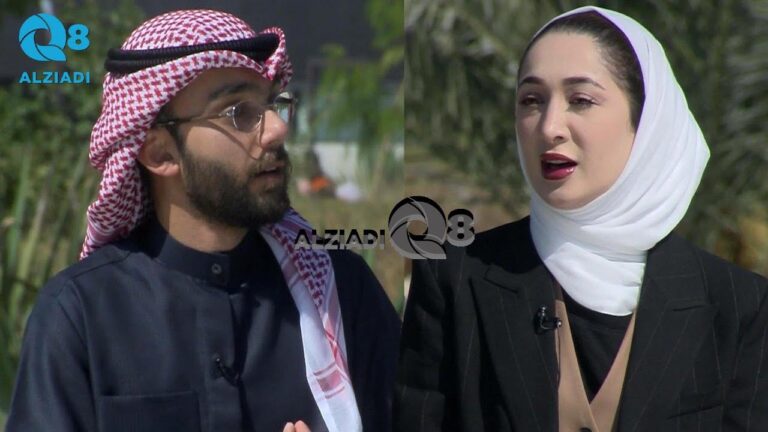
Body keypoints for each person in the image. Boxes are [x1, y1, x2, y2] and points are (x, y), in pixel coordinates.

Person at [7, 9, 400, 432]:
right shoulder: (82, 314)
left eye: (273, 105)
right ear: (160, 154)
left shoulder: (342, 292)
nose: (276, 130)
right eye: (238, 112)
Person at [395, 6, 768, 431]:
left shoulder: (739, 306)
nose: (549, 127)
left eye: (581, 100)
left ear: (645, 121)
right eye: (531, 100)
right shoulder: (454, 279)